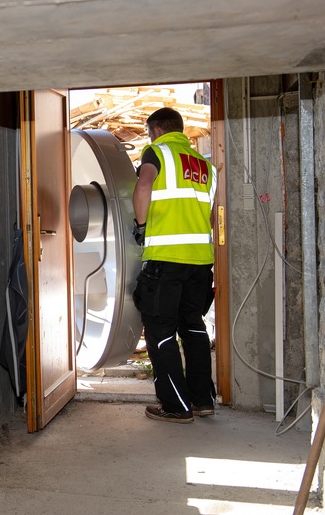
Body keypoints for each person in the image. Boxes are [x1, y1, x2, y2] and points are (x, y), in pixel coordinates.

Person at [131, 107, 217, 424]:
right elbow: (208, 213)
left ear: (155, 130)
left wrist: (141, 227)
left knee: (161, 331)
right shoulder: (205, 165)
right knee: (193, 327)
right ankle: (201, 399)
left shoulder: (157, 152)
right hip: (200, 261)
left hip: (166, 259)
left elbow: (143, 187)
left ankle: (175, 406)